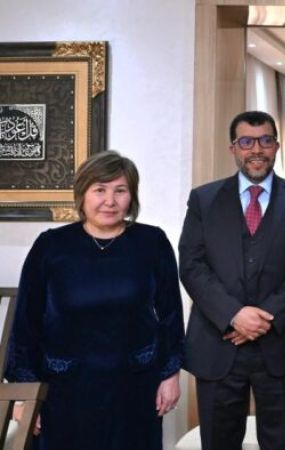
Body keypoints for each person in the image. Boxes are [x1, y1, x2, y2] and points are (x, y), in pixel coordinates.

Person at [5, 151, 184, 450]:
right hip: (63, 391)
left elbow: (171, 315)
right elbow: (26, 324)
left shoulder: (152, 242)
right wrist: (25, 396)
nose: (110, 201)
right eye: (100, 190)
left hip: (134, 388)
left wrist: (170, 374)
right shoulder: (50, 246)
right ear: (82, 194)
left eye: (120, 191)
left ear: (132, 196)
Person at [179, 111, 285, 450]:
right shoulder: (204, 200)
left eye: (265, 140)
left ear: (276, 146)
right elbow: (192, 265)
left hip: (282, 343)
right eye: (246, 141)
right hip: (218, 341)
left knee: (282, 442)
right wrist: (234, 314)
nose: (256, 149)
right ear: (233, 148)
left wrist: (263, 318)